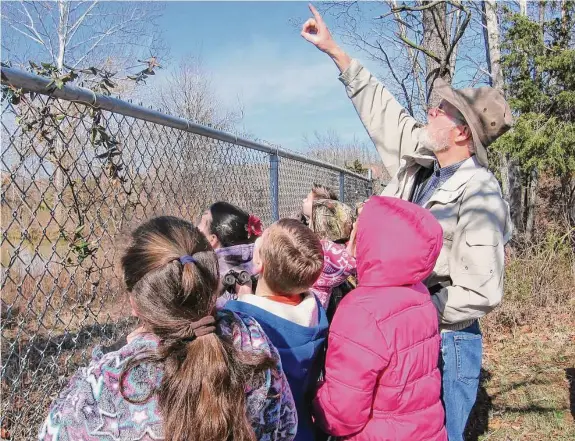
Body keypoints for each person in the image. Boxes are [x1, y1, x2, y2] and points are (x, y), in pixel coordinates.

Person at [302, 5, 513, 439]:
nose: (430, 112)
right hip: (401, 332)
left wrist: (416, 315)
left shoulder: (480, 193)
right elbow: (383, 111)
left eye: (441, 111)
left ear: (462, 133)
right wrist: (336, 52)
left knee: (440, 431)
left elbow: (482, 289)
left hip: (446, 339)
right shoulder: (418, 161)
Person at [38, 216, 297, 441]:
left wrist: (120, 351)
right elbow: (286, 428)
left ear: (134, 303)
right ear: (212, 283)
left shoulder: (101, 384)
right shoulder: (251, 337)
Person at [313, 196, 447, 441]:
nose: (353, 237)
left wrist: (312, 402)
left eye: (359, 231)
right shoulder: (419, 293)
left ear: (378, 241)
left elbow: (343, 415)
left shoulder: (361, 311)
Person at [225, 219, 328, 441]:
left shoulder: (237, 320)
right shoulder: (317, 315)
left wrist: (241, 303)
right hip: (300, 430)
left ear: (258, 261)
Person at [197, 202, 263, 307]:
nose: (197, 228)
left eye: (201, 222)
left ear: (212, 239)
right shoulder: (257, 262)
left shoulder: (210, 273)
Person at [306, 197, 356, 310]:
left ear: (322, 224)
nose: (308, 224)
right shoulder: (346, 254)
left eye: (310, 220)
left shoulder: (320, 258)